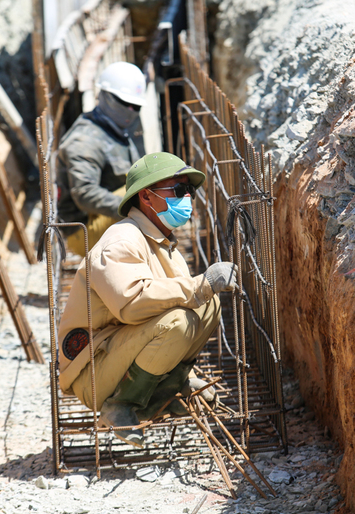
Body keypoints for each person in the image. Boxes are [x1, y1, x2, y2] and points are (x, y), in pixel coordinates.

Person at [56, 152, 238, 448]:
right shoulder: (122, 241)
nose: (187, 197)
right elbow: (132, 304)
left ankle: (168, 390)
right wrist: (199, 285)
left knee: (208, 306)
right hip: (93, 370)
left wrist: (201, 291)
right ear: (147, 197)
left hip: (119, 350)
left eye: (189, 191)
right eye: (178, 191)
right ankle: (121, 405)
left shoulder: (160, 241)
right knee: (178, 320)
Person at [56, 61, 147, 256]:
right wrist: (135, 207)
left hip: (104, 215)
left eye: (136, 105)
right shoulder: (84, 140)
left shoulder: (114, 127)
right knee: (149, 199)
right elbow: (85, 194)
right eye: (126, 103)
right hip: (84, 230)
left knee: (154, 188)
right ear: (105, 96)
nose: (131, 110)